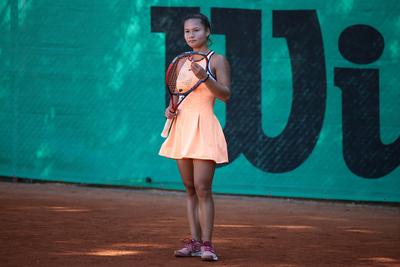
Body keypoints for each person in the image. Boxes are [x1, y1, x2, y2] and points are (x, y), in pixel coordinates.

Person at [158, 13, 231, 262]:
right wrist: (170, 109)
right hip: (182, 127)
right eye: (187, 31)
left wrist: (206, 77)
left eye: (197, 30)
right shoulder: (180, 62)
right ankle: (194, 241)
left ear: (208, 32)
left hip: (205, 126)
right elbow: (176, 96)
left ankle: (208, 245)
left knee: (203, 187)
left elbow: (225, 94)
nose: (191, 35)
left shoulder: (218, 60)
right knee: (189, 189)